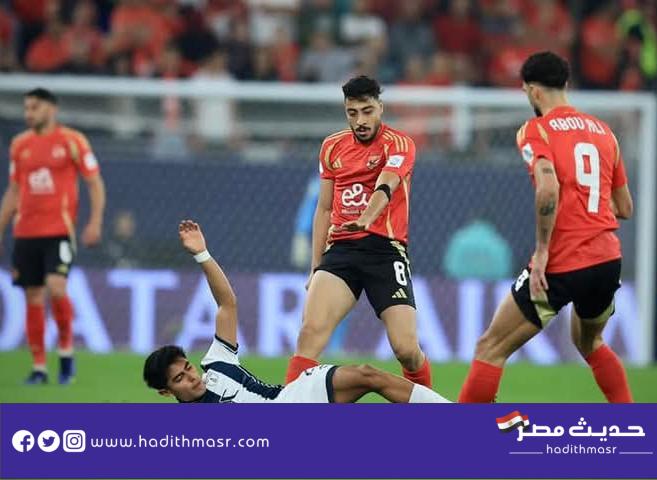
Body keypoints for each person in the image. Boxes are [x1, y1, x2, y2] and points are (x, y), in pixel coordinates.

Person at [458, 51, 634, 403]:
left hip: (562, 260)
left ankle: (457, 435)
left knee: (490, 347)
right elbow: (625, 207)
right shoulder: (605, 133)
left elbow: (548, 187)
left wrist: (541, 252)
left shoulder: (535, 130)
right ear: (565, 84)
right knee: (589, 342)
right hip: (606, 261)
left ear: (533, 91)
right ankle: (633, 425)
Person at [143, 220, 450, 404]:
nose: (191, 378)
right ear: (166, 392)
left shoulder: (216, 364)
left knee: (368, 375)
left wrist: (202, 254)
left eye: (187, 368)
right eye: (179, 379)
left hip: (292, 400)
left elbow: (227, 305)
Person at [284, 76, 432, 388]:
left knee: (406, 350)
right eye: (352, 113)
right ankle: (289, 411)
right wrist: (316, 266)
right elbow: (324, 208)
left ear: (381, 108)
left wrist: (366, 218)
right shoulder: (331, 147)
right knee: (309, 334)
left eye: (367, 111)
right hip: (341, 251)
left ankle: (425, 406)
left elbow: (387, 184)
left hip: (386, 250)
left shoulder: (400, 143)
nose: (360, 121)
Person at [0, 88, 106, 385]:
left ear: (51, 108)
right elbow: (14, 191)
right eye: (26, 108)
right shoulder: (19, 144)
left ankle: (66, 356)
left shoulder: (72, 141)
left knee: (57, 288)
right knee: (33, 296)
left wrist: (95, 221)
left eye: (34, 107)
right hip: (25, 232)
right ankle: (39, 368)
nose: (28, 113)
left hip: (59, 231)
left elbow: (94, 183)